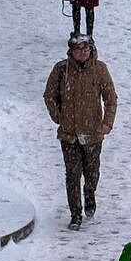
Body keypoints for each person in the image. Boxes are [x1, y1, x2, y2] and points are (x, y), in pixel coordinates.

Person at [44, 33, 116, 229]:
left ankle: (90, 194)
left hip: (93, 134)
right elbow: (49, 95)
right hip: (69, 135)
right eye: (78, 49)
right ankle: (75, 213)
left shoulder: (100, 69)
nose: (82, 52)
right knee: (72, 174)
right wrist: (58, 117)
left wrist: (106, 123)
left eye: (86, 48)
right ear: (71, 51)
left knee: (92, 173)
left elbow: (110, 99)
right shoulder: (61, 70)